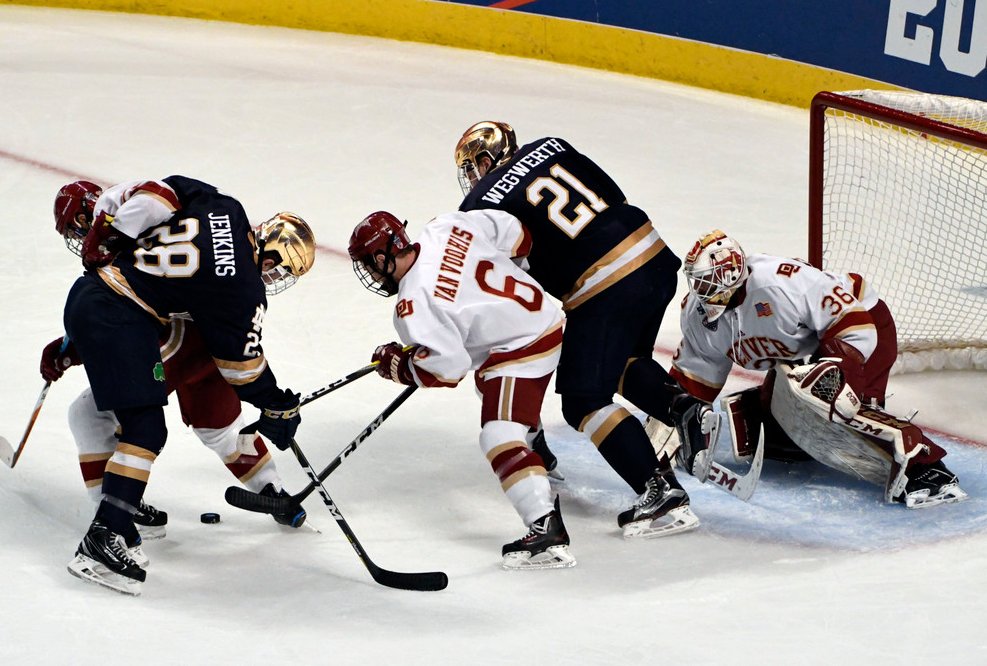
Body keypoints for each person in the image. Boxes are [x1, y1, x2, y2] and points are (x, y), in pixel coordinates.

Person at [453, 122, 714, 539]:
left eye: (471, 167)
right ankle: (685, 411)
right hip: (654, 255)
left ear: (485, 161)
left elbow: (510, 283)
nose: (471, 178)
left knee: (583, 399)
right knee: (621, 363)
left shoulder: (480, 204)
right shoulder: (552, 145)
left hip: (604, 284)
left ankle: (659, 492)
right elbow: (615, 199)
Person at [54, 175, 311, 595]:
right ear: (268, 249)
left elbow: (161, 191)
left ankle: (268, 488)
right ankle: (109, 529)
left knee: (197, 425)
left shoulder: (227, 208)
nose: (274, 276)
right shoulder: (241, 293)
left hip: (131, 312)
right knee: (109, 419)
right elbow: (242, 366)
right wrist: (276, 403)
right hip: (143, 322)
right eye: (278, 266)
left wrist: (111, 231)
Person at [670, 229, 968, 508]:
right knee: (776, 422)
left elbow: (855, 325)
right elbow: (695, 376)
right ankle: (801, 434)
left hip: (860, 327)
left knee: (835, 405)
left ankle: (926, 468)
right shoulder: (698, 313)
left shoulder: (782, 284)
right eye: (697, 281)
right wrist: (672, 428)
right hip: (808, 351)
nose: (700, 289)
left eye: (708, 281)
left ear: (732, 275)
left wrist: (841, 379)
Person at [348, 210, 574, 569]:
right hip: (535, 319)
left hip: (524, 344)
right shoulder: (445, 225)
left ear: (382, 258)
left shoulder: (412, 304)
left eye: (369, 265)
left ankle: (547, 530)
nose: (372, 275)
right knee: (490, 391)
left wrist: (401, 366)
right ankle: (538, 456)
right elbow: (518, 234)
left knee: (498, 436)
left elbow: (448, 368)